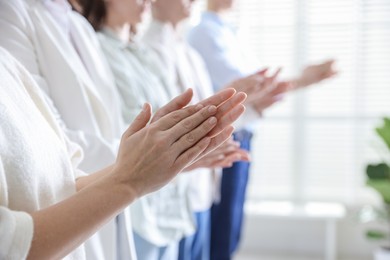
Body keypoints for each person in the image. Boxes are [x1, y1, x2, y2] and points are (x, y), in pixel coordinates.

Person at [0, 0, 244, 258]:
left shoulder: (75, 28)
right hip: (105, 205)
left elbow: (60, 161)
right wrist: (131, 175)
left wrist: (158, 158)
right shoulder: (13, 15)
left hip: (108, 199)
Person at [76, 0, 249, 259]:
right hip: (140, 209)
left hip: (172, 200)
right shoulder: (95, 49)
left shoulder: (141, 54)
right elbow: (122, 130)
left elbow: (173, 115)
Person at [142, 1, 297, 259]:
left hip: (200, 183)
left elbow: (205, 113)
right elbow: (169, 123)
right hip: (172, 190)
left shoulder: (188, 52)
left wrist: (246, 103)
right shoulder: (149, 51)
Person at [187, 0, 337, 259]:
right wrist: (303, 80)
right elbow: (246, 93)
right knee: (221, 234)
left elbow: (258, 92)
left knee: (230, 231)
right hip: (225, 140)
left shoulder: (230, 33)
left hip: (243, 136)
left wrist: (300, 81)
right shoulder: (204, 33)